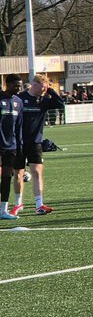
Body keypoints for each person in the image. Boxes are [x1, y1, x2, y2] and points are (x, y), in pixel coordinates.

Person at [11, 74, 64, 216]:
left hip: (35, 142)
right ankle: (18, 204)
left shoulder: (44, 101)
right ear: (34, 85)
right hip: (19, 142)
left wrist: (51, 90)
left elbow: (60, 104)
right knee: (18, 174)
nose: (44, 90)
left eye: (45, 88)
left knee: (37, 172)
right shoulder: (19, 98)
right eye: (42, 87)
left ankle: (39, 204)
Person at [0, 74, 24, 220]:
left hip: (11, 146)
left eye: (20, 85)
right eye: (16, 85)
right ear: (6, 84)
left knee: (7, 177)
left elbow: (19, 126)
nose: (19, 88)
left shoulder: (18, 102)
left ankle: (3, 210)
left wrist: (19, 145)